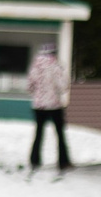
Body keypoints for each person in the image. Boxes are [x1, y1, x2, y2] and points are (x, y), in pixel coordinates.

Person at [28, 41, 74, 175]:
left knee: (38, 134)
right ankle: (63, 162)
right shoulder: (56, 66)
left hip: (39, 106)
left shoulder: (35, 66)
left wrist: (39, 94)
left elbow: (29, 86)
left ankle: (34, 160)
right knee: (60, 134)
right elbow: (63, 86)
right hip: (54, 105)